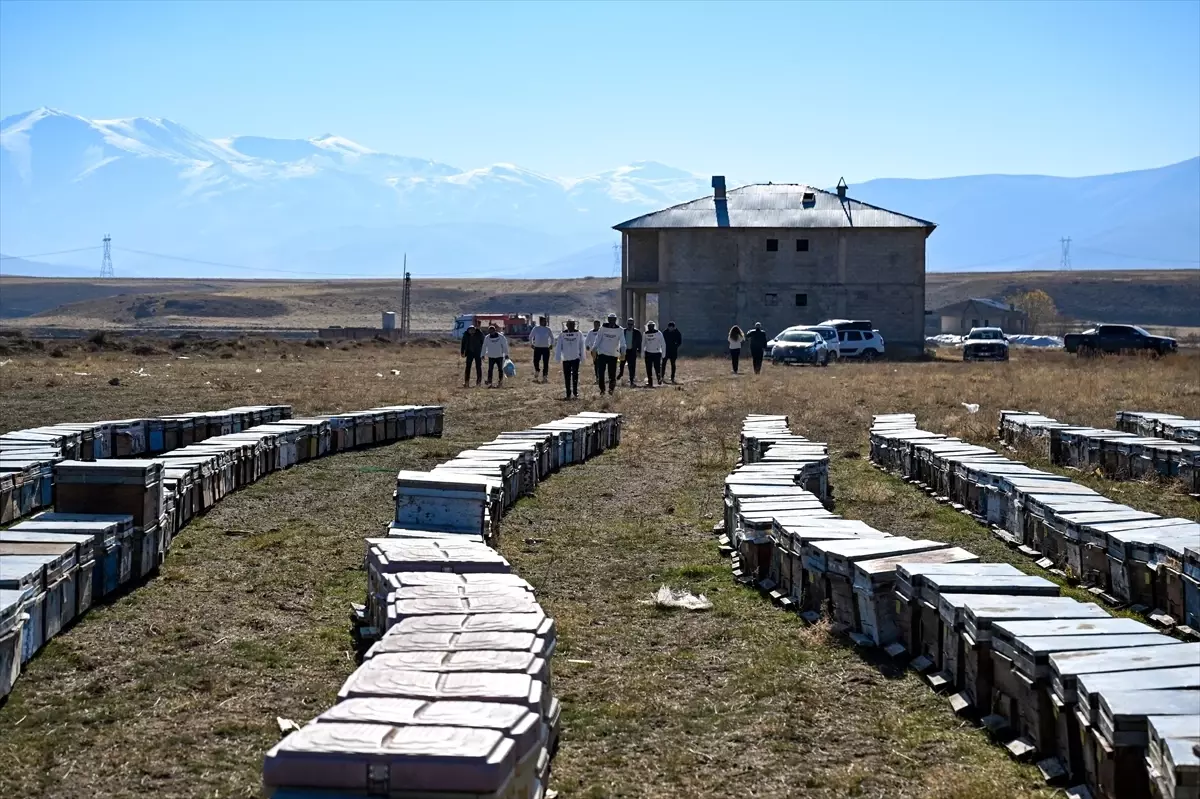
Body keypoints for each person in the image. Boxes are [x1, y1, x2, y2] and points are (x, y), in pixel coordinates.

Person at [592, 313, 626, 395]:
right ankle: (602, 390)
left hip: (613, 355)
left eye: (613, 320)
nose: (612, 321)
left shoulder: (620, 330)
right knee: (601, 374)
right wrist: (594, 349)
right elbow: (597, 340)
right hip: (602, 354)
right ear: (608, 319)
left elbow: (622, 342)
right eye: (610, 319)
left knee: (612, 374)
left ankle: (611, 390)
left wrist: (623, 352)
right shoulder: (602, 328)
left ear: (615, 320)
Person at [554, 319, 586, 399]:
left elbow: (582, 346)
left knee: (575, 375)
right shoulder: (562, 334)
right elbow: (558, 346)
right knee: (567, 376)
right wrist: (558, 357)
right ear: (567, 325)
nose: (571, 326)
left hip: (575, 358)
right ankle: (568, 393)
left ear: (575, 325)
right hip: (566, 359)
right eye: (569, 324)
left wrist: (583, 357)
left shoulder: (579, 334)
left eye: (572, 324)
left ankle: (575, 392)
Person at [616, 317, 642, 386]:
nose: (630, 326)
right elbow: (618, 340)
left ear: (633, 325)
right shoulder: (623, 331)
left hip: (632, 351)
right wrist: (618, 349)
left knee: (632, 367)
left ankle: (631, 380)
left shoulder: (637, 332)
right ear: (627, 324)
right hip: (623, 351)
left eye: (631, 324)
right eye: (629, 324)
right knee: (621, 364)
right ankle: (621, 373)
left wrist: (639, 350)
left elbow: (639, 342)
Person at [529, 316, 553, 383]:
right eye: (544, 321)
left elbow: (552, 338)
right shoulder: (536, 328)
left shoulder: (548, 329)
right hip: (537, 348)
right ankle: (537, 370)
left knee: (546, 363)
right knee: (535, 361)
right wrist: (531, 344)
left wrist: (551, 345)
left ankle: (545, 376)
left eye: (546, 321)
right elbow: (530, 336)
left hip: (546, 348)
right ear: (541, 322)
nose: (546, 322)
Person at [460, 323, 484, 387]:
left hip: (478, 353)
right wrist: (462, 352)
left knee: (478, 367)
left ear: (475, 330)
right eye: (470, 330)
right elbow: (463, 343)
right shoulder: (466, 335)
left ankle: (478, 383)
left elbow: (483, 342)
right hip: (469, 353)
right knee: (468, 367)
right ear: (468, 330)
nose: (471, 331)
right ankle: (466, 382)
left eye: (473, 330)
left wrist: (483, 353)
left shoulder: (479, 334)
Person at [642, 321, 666, 387]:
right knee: (648, 369)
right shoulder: (645, 334)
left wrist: (663, 353)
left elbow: (663, 343)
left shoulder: (658, 333)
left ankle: (659, 380)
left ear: (654, 326)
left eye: (652, 326)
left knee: (657, 368)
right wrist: (642, 353)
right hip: (648, 353)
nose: (650, 327)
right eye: (649, 326)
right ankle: (650, 382)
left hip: (657, 353)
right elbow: (643, 344)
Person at [584, 319, 603, 387]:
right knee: (596, 364)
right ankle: (597, 378)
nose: (596, 326)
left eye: (597, 325)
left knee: (601, 365)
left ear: (599, 325)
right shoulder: (591, 332)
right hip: (594, 351)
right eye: (595, 324)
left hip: (601, 350)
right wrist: (587, 346)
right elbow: (587, 340)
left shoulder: (602, 331)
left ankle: (602, 378)